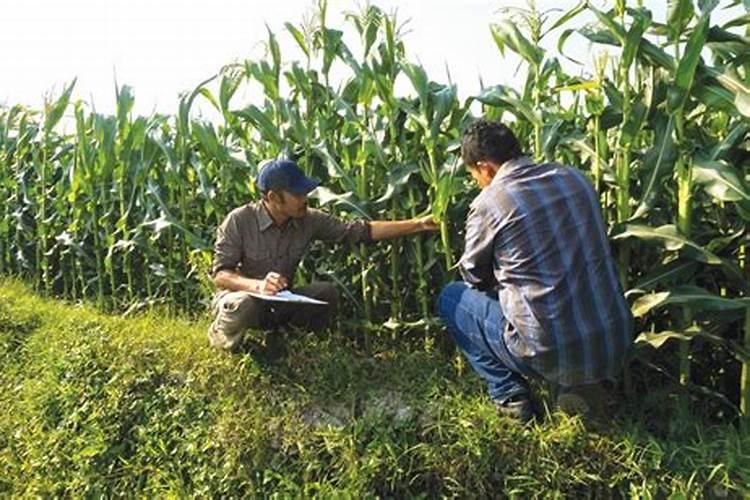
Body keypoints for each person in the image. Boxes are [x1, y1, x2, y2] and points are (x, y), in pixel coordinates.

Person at [437, 119, 633, 422]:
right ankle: (585, 385)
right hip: (614, 338)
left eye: (473, 174)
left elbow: (473, 275)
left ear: (484, 167)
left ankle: (510, 398)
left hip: (546, 349)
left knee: (452, 299)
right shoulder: (575, 178)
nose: (477, 181)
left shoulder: (490, 202)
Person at [209, 158, 438, 353]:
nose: (305, 198)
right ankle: (223, 343)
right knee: (241, 305)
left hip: (281, 299)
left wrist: (418, 224)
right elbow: (221, 275)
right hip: (242, 298)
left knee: (325, 293)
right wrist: (258, 286)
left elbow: (360, 231)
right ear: (274, 197)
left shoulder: (308, 219)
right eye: (297, 194)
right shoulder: (239, 220)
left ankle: (284, 345)